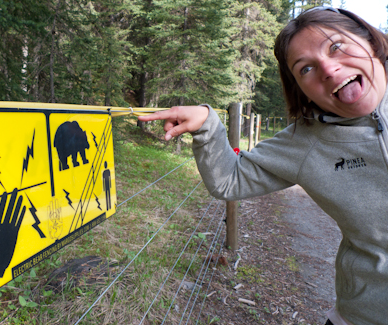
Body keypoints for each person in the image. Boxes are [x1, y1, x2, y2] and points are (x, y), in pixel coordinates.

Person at [138, 7, 388, 325]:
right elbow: (230, 180)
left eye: (336, 46)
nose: (327, 67)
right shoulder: (305, 141)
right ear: (301, 89)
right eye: (306, 68)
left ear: (370, 40)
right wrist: (206, 125)